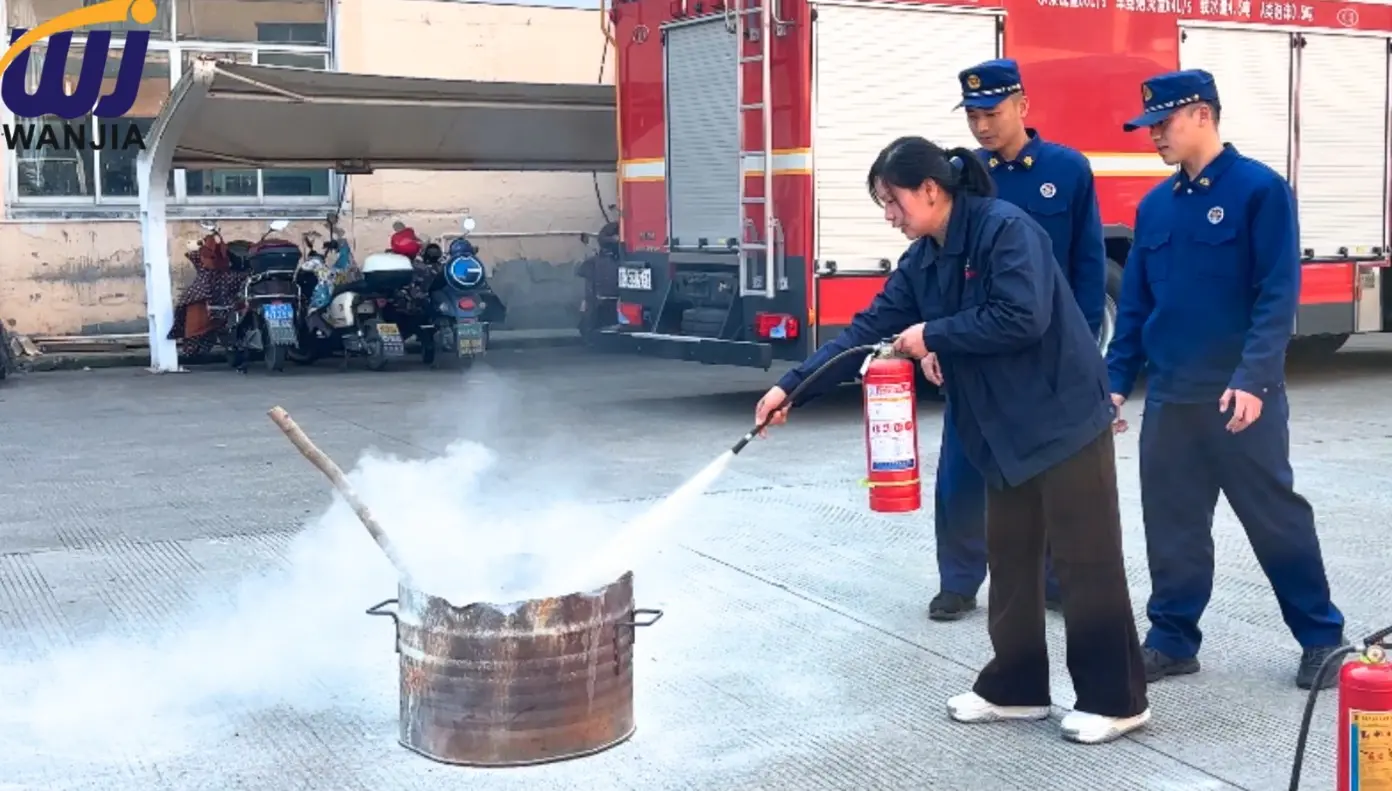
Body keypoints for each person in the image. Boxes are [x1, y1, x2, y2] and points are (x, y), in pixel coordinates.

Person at [755, 135, 1150, 743]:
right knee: (1011, 557)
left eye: (892, 201)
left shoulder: (1004, 231)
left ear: (931, 190)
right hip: (998, 427)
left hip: (1061, 417)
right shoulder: (925, 258)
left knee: (1085, 562)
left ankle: (1116, 699)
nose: (889, 215)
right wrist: (792, 387)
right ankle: (1017, 687)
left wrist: (932, 334)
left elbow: (1022, 316)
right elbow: (867, 329)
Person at [1107, 69, 1346, 690]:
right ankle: (1172, 639)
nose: (1153, 134)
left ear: (1203, 115)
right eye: (1148, 124)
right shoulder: (1154, 207)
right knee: (1172, 525)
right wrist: (1112, 382)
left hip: (1240, 396)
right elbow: (1133, 309)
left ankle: (1322, 637)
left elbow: (1276, 296)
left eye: (1163, 122)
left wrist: (1255, 379)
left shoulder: (1259, 191)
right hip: (1171, 397)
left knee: (1275, 518)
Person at [926, 57, 1109, 622]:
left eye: (992, 112)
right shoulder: (964, 178)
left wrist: (1079, 351)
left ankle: (1053, 578)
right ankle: (958, 580)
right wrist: (937, 340)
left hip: (1044, 352)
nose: (981, 126)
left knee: (1050, 467)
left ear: (1023, 107)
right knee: (962, 467)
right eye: (973, 115)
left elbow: (1086, 264)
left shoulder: (1068, 169)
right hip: (977, 347)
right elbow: (942, 264)